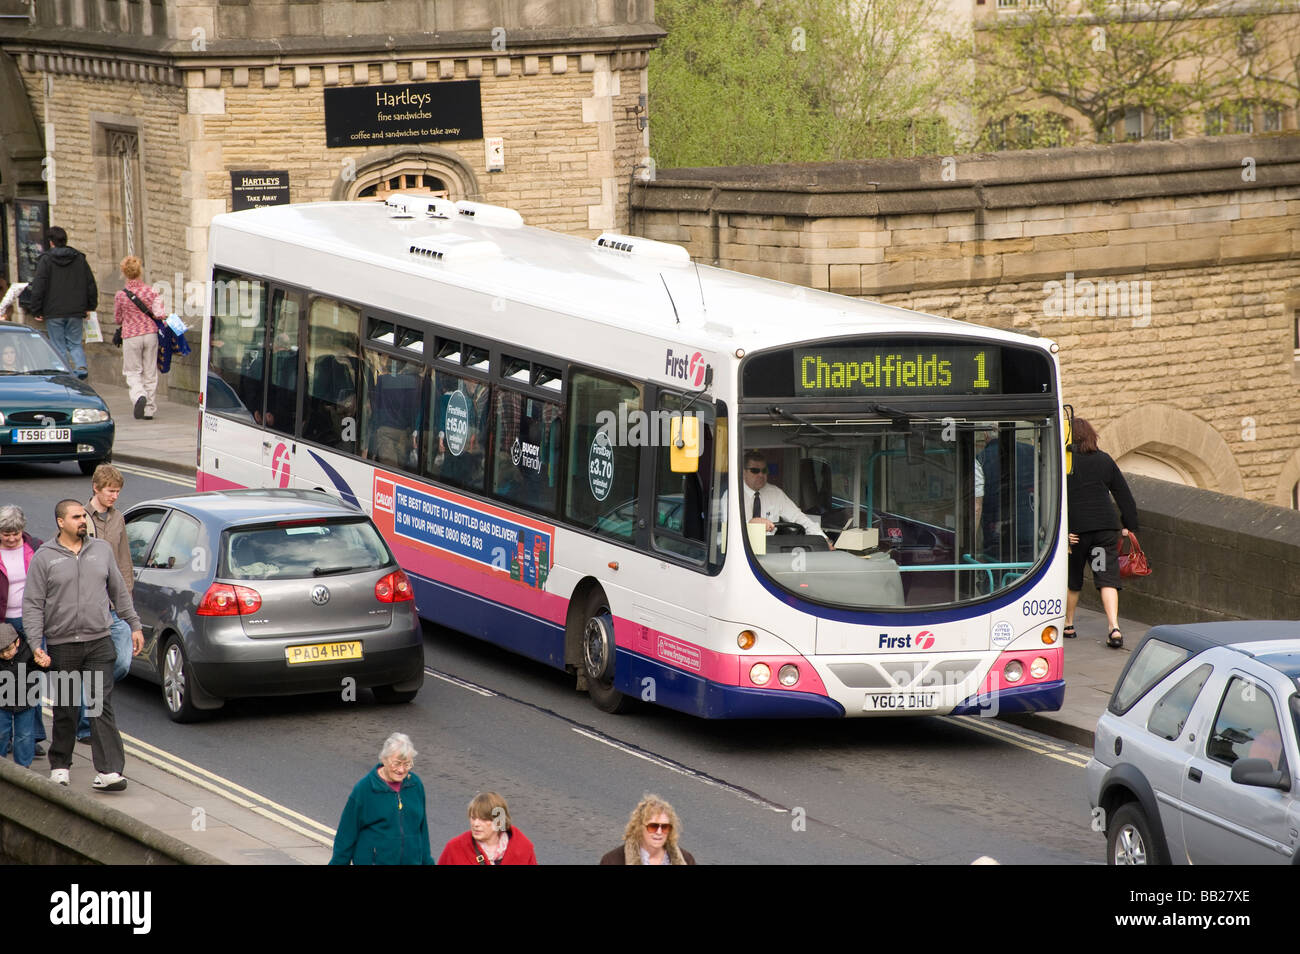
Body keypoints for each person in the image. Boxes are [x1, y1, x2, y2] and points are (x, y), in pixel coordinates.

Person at [22, 499, 144, 791]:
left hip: (99, 641)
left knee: (100, 704)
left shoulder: (100, 550)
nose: (83, 521)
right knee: (66, 707)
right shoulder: (44, 557)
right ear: (60, 522)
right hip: (63, 644)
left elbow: (119, 591)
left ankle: (110, 771)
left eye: (83, 516)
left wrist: (134, 625)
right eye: (76, 517)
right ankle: (61, 765)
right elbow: (33, 604)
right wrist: (35, 642)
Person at [1063, 418, 1139, 649]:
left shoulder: (1065, 462)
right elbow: (1123, 495)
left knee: (1073, 577)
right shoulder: (1104, 460)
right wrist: (1129, 525)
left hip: (1076, 531)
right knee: (1106, 577)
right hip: (1105, 529)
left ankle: (1068, 625)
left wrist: (1062, 531)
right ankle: (1114, 627)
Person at [329, 732, 435, 865]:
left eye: (407, 764)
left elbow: (422, 831)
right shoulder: (365, 789)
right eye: (396, 763)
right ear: (384, 759)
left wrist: (427, 862)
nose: (401, 770)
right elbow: (346, 835)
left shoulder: (415, 785)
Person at [18, 227, 98, 379]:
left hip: (53, 311)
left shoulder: (46, 260)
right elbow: (90, 284)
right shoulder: (79, 258)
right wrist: (90, 306)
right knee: (75, 343)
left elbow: (39, 286)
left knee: (57, 344)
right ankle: (81, 366)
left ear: (51, 242)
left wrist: (36, 309)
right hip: (76, 310)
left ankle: (63, 372)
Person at [0, 506, 46, 755]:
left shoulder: (35, 547)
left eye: (15, 533)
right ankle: (5, 737)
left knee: (31, 678)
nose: (11, 538)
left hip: (31, 622)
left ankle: (31, 737)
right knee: (5, 680)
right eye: (5, 533)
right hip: (3, 625)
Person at [741, 450, 831, 547]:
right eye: (755, 471)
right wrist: (750, 524)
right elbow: (728, 527)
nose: (761, 475)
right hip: (740, 549)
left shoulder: (775, 493)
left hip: (770, 549)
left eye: (764, 471)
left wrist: (823, 539)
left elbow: (798, 517)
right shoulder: (732, 495)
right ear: (743, 472)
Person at [112, 255, 163, 420]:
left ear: (124, 273)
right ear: (140, 271)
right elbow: (160, 314)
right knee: (150, 371)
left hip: (131, 335)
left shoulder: (121, 295)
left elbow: (118, 319)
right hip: (150, 334)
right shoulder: (151, 291)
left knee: (132, 371)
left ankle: (139, 395)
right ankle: (149, 409)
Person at [438, 791, 539, 865]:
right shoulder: (455, 849)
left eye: (483, 819)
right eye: (473, 818)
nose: (476, 824)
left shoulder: (523, 849)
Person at [599, 793, 696, 865]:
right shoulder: (613, 860)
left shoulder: (686, 860)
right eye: (653, 826)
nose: (659, 832)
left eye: (665, 827)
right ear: (639, 827)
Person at [0, 623, 40, 768]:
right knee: (1, 734)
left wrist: (44, 663)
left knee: (25, 735)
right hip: (2, 702)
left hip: (26, 701)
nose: (5, 654)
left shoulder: (28, 651)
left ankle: (23, 767)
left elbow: (39, 667)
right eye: (0, 652)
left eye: (8, 650)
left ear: (17, 642)